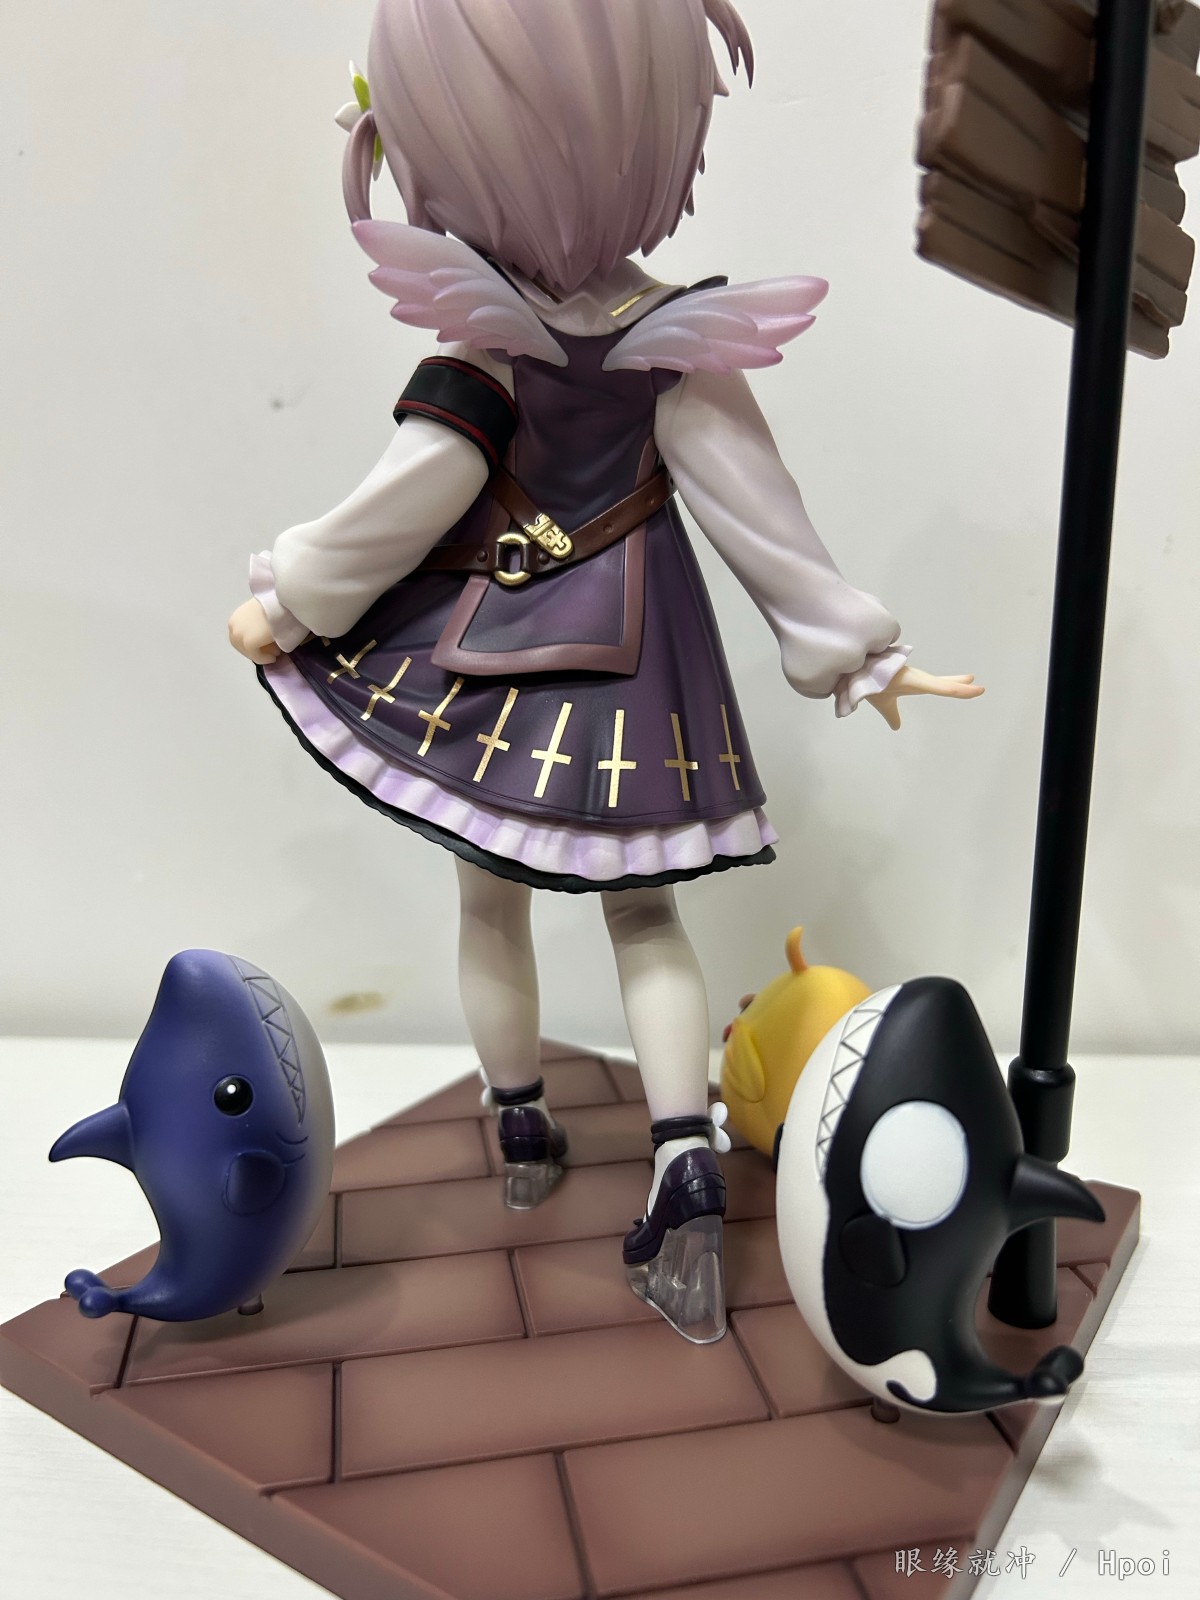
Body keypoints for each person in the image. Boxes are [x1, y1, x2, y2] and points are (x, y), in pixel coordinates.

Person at [227, 0, 982, 1343]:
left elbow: (410, 496)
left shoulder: (485, 342)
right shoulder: (677, 338)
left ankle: (520, 1123)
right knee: (645, 916)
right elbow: (759, 512)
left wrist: (293, 598)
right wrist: (858, 652)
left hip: (494, 647)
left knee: (487, 896)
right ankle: (683, 1158)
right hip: (642, 659)